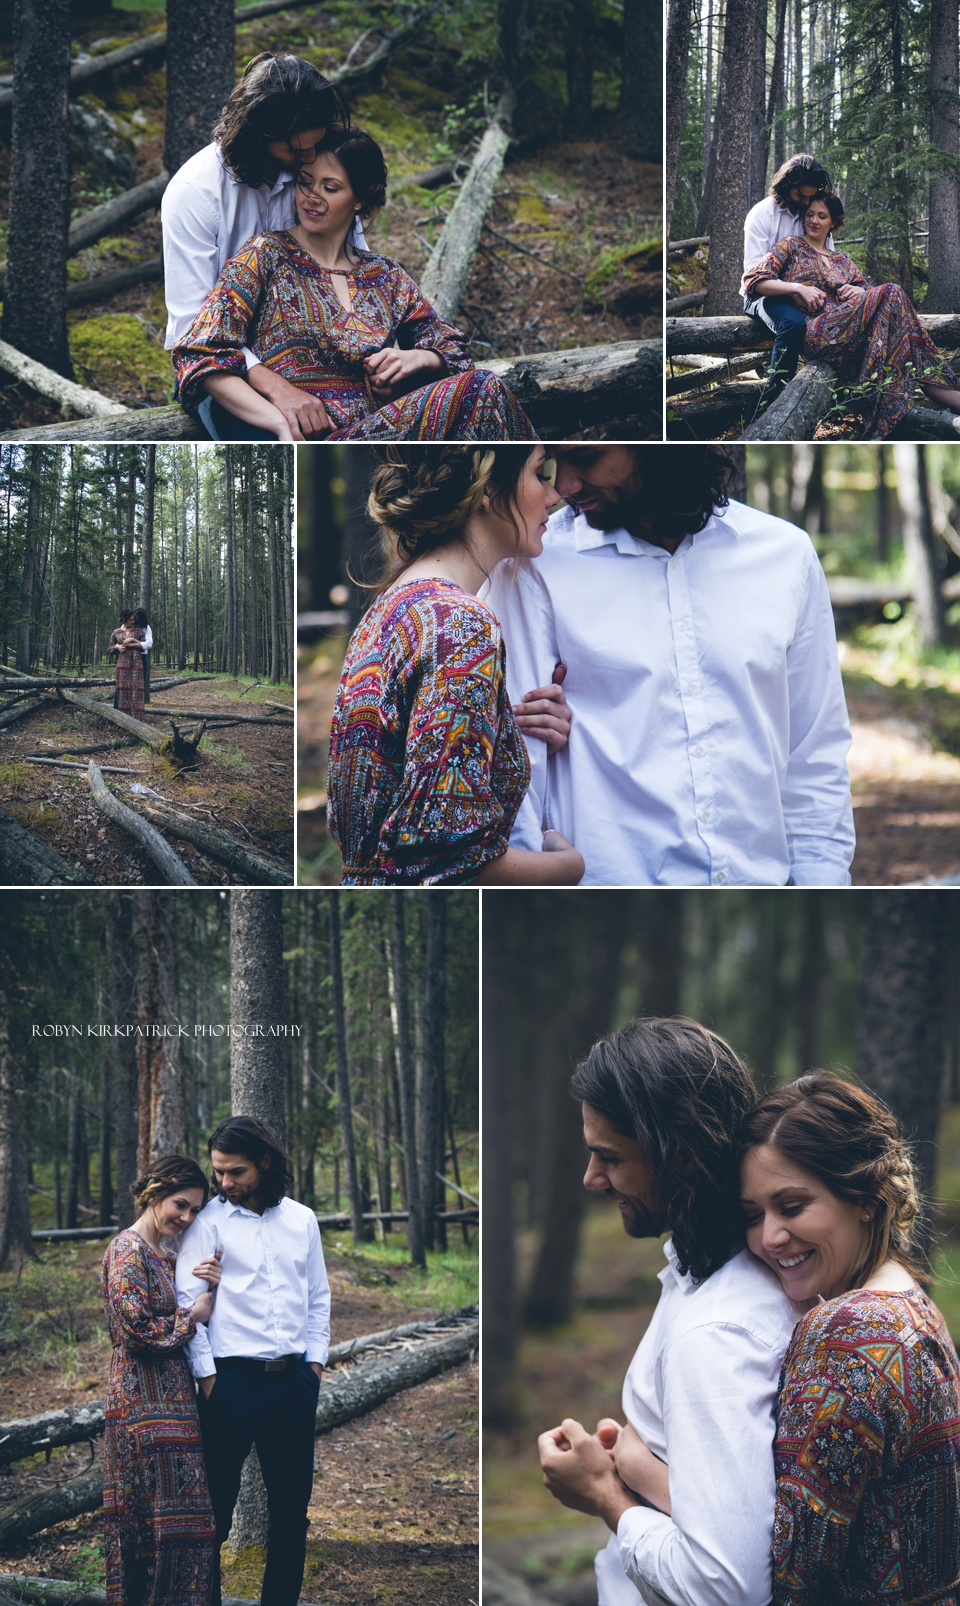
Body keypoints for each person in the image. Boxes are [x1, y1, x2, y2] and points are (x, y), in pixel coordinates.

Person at [484, 444, 856, 887]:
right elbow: (517, 762)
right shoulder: (533, 565)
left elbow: (815, 754)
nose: (563, 485)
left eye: (584, 457)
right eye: (552, 465)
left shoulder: (785, 555)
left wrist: (822, 887)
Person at [536, 1017, 804, 1606]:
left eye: (609, 1157)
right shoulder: (702, 1277)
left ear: (678, 1154)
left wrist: (605, 1494)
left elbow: (726, 1587)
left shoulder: (715, 1332)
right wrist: (645, 1458)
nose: (591, 1178)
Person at [737, 1075, 960, 1605]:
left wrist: (620, 1488)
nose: (770, 1236)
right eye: (753, 1215)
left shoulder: (847, 1333)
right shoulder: (917, 1312)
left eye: (791, 1207)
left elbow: (790, 1573)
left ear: (864, 1198)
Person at [173, 126, 534, 443]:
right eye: (304, 182)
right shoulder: (266, 254)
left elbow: (453, 351)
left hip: (382, 431)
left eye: (330, 188)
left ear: (359, 199)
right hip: (319, 445)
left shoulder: (385, 276)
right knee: (485, 390)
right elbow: (200, 350)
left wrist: (415, 359)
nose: (311, 197)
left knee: (484, 387)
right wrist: (278, 424)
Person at [327, 444, 584, 885]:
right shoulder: (459, 624)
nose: (554, 494)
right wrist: (566, 868)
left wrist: (509, 737)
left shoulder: (388, 610)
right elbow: (443, 860)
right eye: (540, 473)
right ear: (488, 488)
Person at [162, 51, 364, 443]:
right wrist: (277, 389)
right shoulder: (195, 195)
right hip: (226, 371)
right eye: (295, 150)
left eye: (315, 143)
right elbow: (194, 336)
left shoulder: (316, 172)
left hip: (322, 357)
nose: (308, 158)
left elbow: (354, 269)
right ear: (256, 133)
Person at [175, 1116, 331, 1606]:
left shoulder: (302, 1220)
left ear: (264, 1163)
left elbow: (318, 1297)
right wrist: (209, 1381)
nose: (224, 1183)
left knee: (290, 1515)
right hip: (230, 1386)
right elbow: (188, 1302)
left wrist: (315, 1368)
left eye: (235, 1171)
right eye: (219, 1172)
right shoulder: (207, 1223)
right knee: (214, 1514)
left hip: (292, 1386)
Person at [101, 1154, 221, 1606]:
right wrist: (191, 1317)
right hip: (140, 1407)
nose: (187, 1218)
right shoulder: (126, 1249)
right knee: (146, 1526)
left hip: (174, 1405)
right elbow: (135, 1331)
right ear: (153, 1195)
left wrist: (203, 1282)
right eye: (179, 1205)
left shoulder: (163, 1255)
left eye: (194, 1210)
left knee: (182, 1525)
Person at [744, 191, 960, 437]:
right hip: (818, 332)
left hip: (854, 336)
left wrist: (858, 292)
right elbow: (754, 280)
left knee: (908, 333)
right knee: (892, 291)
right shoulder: (791, 246)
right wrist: (797, 289)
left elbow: (876, 302)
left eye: (822, 216)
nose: (813, 220)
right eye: (810, 214)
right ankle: (878, 401)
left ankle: (939, 393)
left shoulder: (843, 260)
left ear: (833, 222)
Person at [742, 154, 835, 407]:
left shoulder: (812, 216)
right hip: (763, 296)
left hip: (806, 294)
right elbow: (753, 276)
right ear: (785, 185)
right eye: (800, 195)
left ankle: (835, 395)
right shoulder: (762, 215)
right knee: (793, 324)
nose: (805, 202)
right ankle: (776, 402)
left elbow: (826, 263)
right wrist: (794, 289)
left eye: (810, 195)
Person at [107, 609, 151, 720]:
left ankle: (137, 719)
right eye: (131, 620)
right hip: (122, 664)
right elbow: (110, 648)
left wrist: (132, 642)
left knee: (137, 689)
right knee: (122, 689)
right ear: (124, 620)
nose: (133, 621)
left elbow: (146, 644)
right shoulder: (116, 632)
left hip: (136, 664)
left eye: (134, 619)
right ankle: (123, 719)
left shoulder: (138, 631)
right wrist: (117, 647)